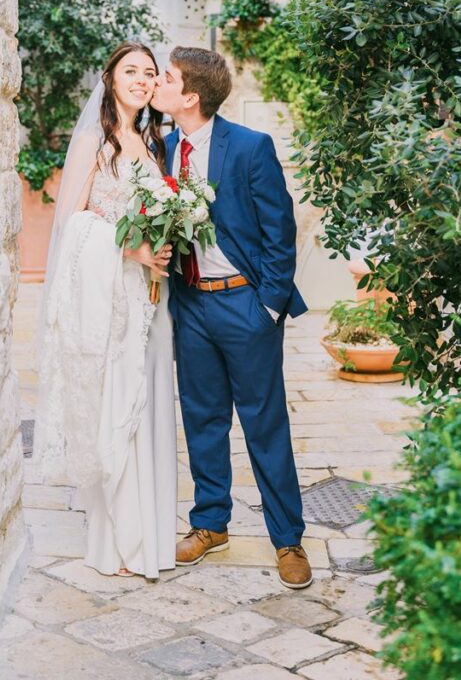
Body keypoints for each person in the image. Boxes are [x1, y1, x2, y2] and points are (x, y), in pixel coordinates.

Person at [151, 46, 313, 589]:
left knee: (264, 424)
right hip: (190, 303)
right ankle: (209, 523)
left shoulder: (249, 147)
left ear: (190, 97)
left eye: (167, 78)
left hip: (245, 304)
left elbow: (279, 231)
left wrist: (268, 305)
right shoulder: (162, 150)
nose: (158, 82)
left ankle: (288, 538)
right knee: (201, 416)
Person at [32, 41, 177, 579]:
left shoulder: (152, 143)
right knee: (117, 406)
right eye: (131, 71)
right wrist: (131, 249)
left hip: (149, 300)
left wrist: (162, 247)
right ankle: (113, 540)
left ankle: (149, 536)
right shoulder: (97, 139)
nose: (142, 79)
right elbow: (73, 223)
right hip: (110, 297)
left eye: (149, 72)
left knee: (147, 407)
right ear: (111, 78)